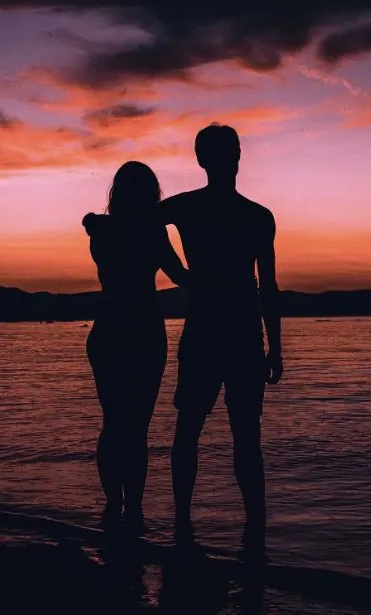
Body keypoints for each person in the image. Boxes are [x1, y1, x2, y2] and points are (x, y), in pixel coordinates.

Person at [159, 123, 282, 558]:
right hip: (230, 331)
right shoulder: (253, 215)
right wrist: (179, 273)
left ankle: (196, 528)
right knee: (222, 433)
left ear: (202, 160)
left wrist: (276, 346)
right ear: (234, 158)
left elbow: (268, 285)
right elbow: (267, 286)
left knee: (210, 432)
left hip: (223, 331)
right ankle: (246, 532)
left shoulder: (238, 213)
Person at [82, 161, 189, 533]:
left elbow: (100, 232)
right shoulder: (151, 232)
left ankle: (115, 507)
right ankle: (134, 511)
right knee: (135, 427)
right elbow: (180, 276)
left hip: (109, 328)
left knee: (114, 423)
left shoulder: (102, 230)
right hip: (142, 329)